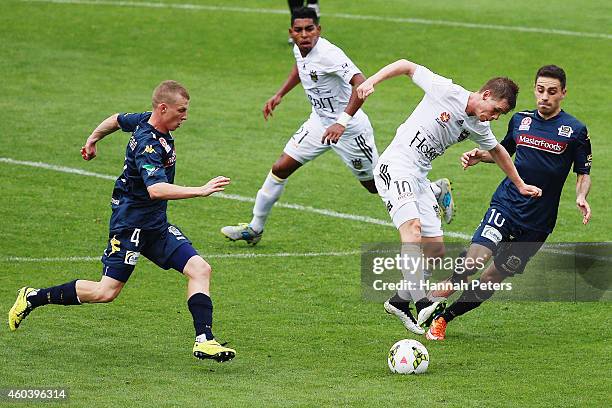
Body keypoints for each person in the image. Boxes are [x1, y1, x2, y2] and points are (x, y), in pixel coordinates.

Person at [8, 80, 236, 362]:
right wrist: (200, 190)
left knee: (200, 269)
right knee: (105, 292)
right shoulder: (148, 145)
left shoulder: (144, 120)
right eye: (181, 111)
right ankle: (33, 297)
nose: (185, 117)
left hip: (155, 226)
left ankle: (205, 340)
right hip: (130, 226)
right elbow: (156, 190)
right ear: (163, 108)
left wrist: (92, 139)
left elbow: (115, 120)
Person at [356, 59, 542, 335]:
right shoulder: (445, 90)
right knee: (412, 230)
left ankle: (399, 301)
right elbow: (406, 65)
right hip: (396, 167)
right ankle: (422, 303)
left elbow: (499, 152)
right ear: (486, 95)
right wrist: (371, 81)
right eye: (496, 110)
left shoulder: (479, 125)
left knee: (435, 252)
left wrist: (520, 184)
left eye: (500, 115)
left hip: (418, 177)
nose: (494, 117)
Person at [426, 65, 592, 340]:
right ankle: (428, 302)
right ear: (534, 90)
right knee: (473, 261)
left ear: (563, 93)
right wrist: (481, 155)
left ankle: (444, 317)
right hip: (506, 204)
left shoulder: (575, 131)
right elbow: (504, 151)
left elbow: (583, 172)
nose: (545, 97)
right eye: (540, 90)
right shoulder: (520, 120)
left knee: (491, 279)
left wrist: (581, 196)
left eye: (552, 92)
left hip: (538, 223)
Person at [221, 6, 380, 245]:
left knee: (375, 186)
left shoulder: (330, 55)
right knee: (280, 168)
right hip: (319, 123)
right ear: (291, 32)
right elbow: (301, 68)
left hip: (349, 130)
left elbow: (362, 84)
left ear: (319, 29)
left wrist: (341, 122)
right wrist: (280, 94)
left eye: (309, 29)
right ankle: (254, 228)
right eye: (299, 30)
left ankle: (433, 192)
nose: (304, 35)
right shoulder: (300, 48)